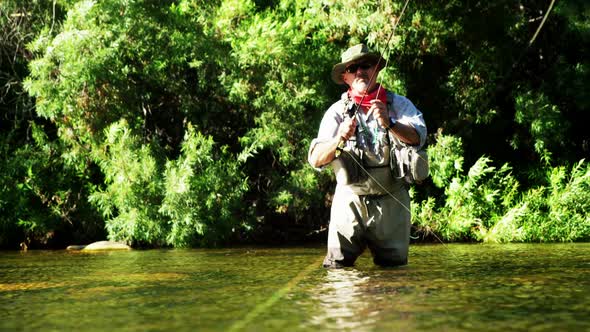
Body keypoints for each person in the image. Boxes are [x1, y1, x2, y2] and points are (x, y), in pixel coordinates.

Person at [308, 44, 427, 268]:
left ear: (377, 69)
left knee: (394, 275)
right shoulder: (335, 112)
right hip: (349, 202)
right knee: (337, 271)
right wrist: (338, 139)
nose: (360, 71)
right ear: (346, 77)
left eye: (366, 65)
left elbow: (418, 137)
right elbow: (316, 159)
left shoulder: (400, 105)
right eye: (353, 68)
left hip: (392, 202)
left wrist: (391, 124)